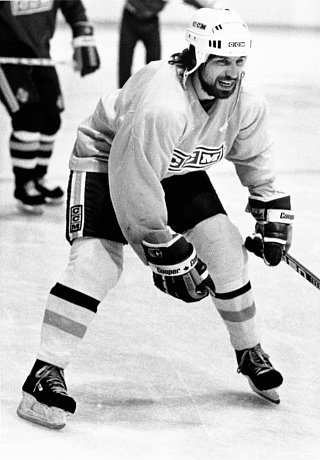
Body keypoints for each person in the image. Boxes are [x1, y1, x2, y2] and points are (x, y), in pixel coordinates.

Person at [16, 7, 294, 430]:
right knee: (96, 264)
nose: (232, 73)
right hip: (107, 159)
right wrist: (160, 245)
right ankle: (43, 374)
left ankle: (250, 351)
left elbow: (254, 154)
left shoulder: (244, 101)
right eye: (221, 60)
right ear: (198, 55)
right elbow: (132, 178)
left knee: (224, 248)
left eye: (239, 62)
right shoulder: (164, 105)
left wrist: (270, 208)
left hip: (171, 165)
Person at [0, 0, 100, 214]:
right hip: (6, 56)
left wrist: (83, 38)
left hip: (40, 52)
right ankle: (24, 184)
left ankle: (38, 177)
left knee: (51, 118)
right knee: (28, 118)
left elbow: (73, 6)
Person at [118, 0, 226, 88]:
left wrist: (213, 10)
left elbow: (192, 1)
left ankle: (151, 93)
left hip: (151, 22)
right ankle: (122, 95)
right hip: (130, 18)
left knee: (154, 62)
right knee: (125, 60)